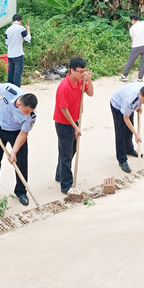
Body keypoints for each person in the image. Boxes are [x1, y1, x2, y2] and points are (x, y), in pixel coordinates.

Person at [0, 83, 38, 206]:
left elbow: (23, 133)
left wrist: (14, 152)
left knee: (21, 162)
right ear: (19, 104)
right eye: (26, 111)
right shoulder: (9, 90)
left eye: (30, 112)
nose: (28, 114)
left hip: (16, 132)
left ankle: (21, 192)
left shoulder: (32, 115)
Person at [53, 58, 94, 193]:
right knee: (67, 154)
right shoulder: (64, 87)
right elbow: (64, 109)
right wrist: (75, 127)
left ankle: (60, 175)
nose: (83, 74)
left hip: (75, 121)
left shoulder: (81, 81)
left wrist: (88, 80)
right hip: (64, 123)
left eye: (84, 71)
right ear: (72, 70)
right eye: (80, 72)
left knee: (70, 150)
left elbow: (90, 93)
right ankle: (66, 185)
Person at [110, 82, 144, 173]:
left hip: (129, 105)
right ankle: (122, 160)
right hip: (117, 105)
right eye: (143, 100)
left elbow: (141, 100)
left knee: (129, 129)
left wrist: (140, 105)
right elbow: (126, 119)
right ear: (139, 94)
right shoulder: (130, 100)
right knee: (121, 132)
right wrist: (136, 134)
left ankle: (129, 149)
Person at [119, 14, 144, 82]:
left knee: (130, 61)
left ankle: (124, 76)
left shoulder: (132, 28)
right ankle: (140, 78)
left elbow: (132, 40)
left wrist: (134, 45)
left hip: (136, 46)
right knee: (143, 62)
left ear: (132, 20)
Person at [5, 14, 31, 87]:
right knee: (18, 73)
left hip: (10, 54)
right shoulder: (21, 29)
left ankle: (9, 88)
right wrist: (28, 29)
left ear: (13, 20)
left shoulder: (8, 30)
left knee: (11, 72)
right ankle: (17, 89)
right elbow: (28, 38)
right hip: (18, 54)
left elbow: (7, 43)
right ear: (20, 21)